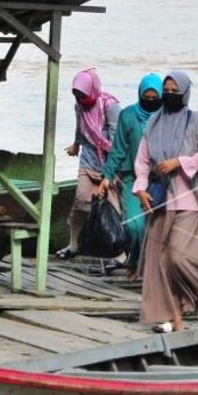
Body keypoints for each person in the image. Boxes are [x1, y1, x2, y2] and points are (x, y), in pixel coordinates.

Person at [133, 70, 198, 332]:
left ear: (185, 93)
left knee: (180, 258)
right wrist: (141, 189)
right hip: (159, 200)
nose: (169, 95)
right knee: (160, 262)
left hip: (188, 200)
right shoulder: (154, 123)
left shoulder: (197, 120)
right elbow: (142, 162)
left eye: (174, 91)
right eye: (165, 91)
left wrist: (180, 162)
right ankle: (172, 317)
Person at [97, 73, 163, 282]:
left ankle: (147, 268)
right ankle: (134, 258)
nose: (151, 102)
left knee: (158, 227)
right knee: (135, 226)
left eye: (155, 98)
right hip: (132, 179)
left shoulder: (167, 116)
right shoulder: (128, 115)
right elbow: (118, 150)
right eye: (147, 98)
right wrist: (106, 176)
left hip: (160, 179)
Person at [56, 68, 122, 260]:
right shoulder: (79, 107)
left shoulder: (110, 106)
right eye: (76, 94)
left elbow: (117, 139)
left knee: (113, 206)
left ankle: (118, 252)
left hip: (110, 162)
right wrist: (76, 145)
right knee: (81, 202)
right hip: (88, 159)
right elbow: (80, 127)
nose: (79, 98)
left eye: (82, 94)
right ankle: (74, 244)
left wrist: (112, 168)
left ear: (92, 89)